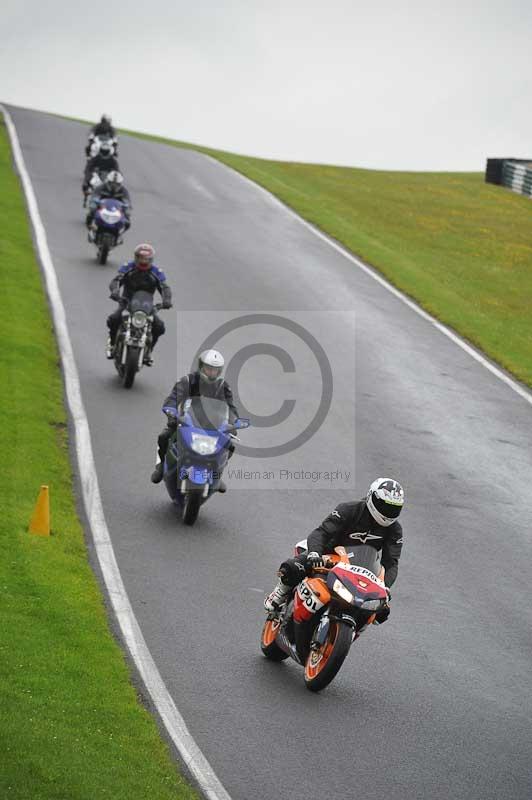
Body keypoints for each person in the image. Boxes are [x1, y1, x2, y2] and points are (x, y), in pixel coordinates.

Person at [264, 478, 405, 624]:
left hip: (360, 568)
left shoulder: (395, 529)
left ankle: (353, 628)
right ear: (371, 496)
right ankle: (280, 593)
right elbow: (321, 533)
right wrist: (314, 554)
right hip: (328, 556)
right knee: (293, 567)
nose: (389, 512)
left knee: (382, 611)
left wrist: (385, 586)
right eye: (385, 505)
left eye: (394, 508)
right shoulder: (349, 509)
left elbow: (391, 562)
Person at [150, 349, 239, 487]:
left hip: (212, 427)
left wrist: (233, 424)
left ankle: (217, 474)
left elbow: (231, 408)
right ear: (201, 366)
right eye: (209, 368)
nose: (211, 372)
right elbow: (173, 398)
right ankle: (161, 467)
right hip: (185, 422)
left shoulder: (223, 387)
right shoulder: (187, 381)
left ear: (219, 371)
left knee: (230, 446)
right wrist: (171, 413)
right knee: (164, 436)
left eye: (215, 370)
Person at [106, 243, 172, 364]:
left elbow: (164, 287)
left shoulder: (156, 272)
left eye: (146, 259)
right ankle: (112, 344)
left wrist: (166, 300)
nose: (143, 261)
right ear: (136, 257)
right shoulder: (128, 267)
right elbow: (117, 280)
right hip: (127, 302)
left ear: (151, 259)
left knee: (159, 327)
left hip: (146, 306)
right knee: (114, 319)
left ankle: (148, 350)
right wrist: (115, 291)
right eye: (141, 258)